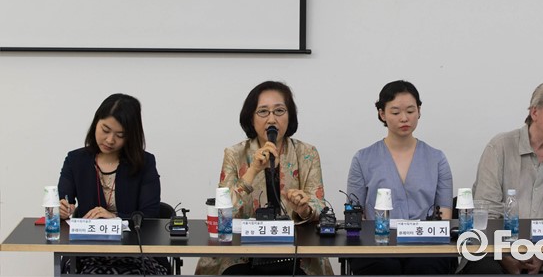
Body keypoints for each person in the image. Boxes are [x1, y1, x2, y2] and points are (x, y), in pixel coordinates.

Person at [195, 81, 332, 275]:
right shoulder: (234, 154)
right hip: (242, 253)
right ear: (251, 118)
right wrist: (252, 171)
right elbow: (222, 213)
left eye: (279, 111)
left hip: (294, 252)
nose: (272, 119)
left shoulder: (307, 153)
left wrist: (305, 209)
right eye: (263, 112)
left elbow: (320, 205)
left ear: (290, 116)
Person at [462, 78, 543, 275]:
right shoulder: (500, 147)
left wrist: (541, 255)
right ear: (534, 112)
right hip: (493, 254)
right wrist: (505, 256)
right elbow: (486, 213)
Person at [346, 80, 454, 275]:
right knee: (384, 267)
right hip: (378, 245)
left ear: (419, 111)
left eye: (410, 111)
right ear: (382, 114)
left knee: (424, 267)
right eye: (395, 112)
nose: (404, 118)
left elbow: (444, 214)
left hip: (426, 246)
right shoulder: (362, 159)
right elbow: (355, 213)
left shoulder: (437, 159)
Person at [58, 93, 166, 275]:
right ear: (96, 123)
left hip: (137, 253)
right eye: (105, 130)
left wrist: (116, 219)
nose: (110, 140)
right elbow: (62, 200)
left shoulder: (145, 163)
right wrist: (61, 209)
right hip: (87, 253)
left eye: (120, 135)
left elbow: (150, 215)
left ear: (130, 136)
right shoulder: (75, 160)